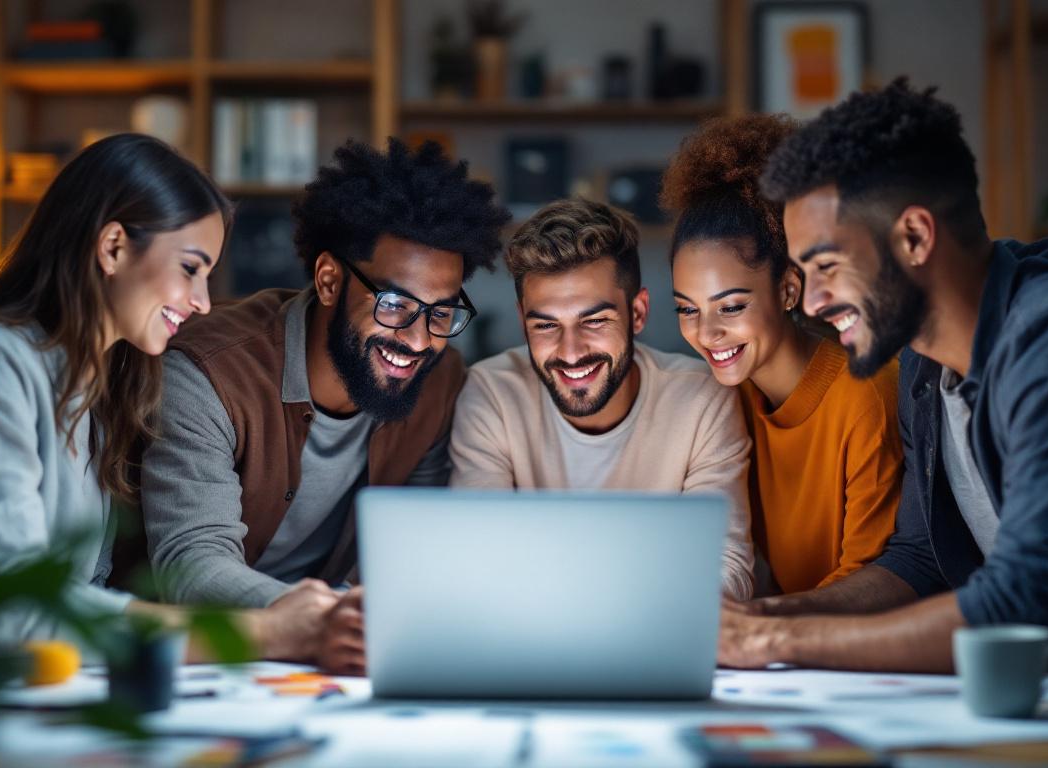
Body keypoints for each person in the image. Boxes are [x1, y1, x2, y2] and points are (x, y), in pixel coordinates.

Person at [0, 134, 330, 659]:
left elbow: (75, 601)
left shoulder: (101, 389)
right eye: (190, 269)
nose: (202, 302)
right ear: (112, 248)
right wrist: (264, 633)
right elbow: (17, 611)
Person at [719, 79, 1048, 688]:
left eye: (828, 267)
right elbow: (918, 561)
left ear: (914, 236)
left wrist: (767, 641)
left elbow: (1025, 603)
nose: (811, 301)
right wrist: (759, 614)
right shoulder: (921, 355)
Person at [140, 138, 511, 674]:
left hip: (342, 656)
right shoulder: (209, 372)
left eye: (441, 314)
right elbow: (190, 566)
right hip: (206, 654)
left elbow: (415, 543)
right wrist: (315, 622)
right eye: (395, 305)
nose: (419, 339)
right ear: (330, 280)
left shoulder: (440, 380)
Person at [450, 198, 755, 600]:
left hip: (654, 636)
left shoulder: (701, 398)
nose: (571, 351)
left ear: (639, 312)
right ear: (523, 320)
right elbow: (479, 554)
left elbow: (728, 563)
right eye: (545, 325)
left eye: (594, 321)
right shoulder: (491, 393)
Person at [661, 114, 902, 595]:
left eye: (731, 306)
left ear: (789, 288)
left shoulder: (865, 394)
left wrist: (759, 628)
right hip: (787, 646)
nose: (707, 333)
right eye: (687, 309)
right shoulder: (723, 400)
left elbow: (877, 580)